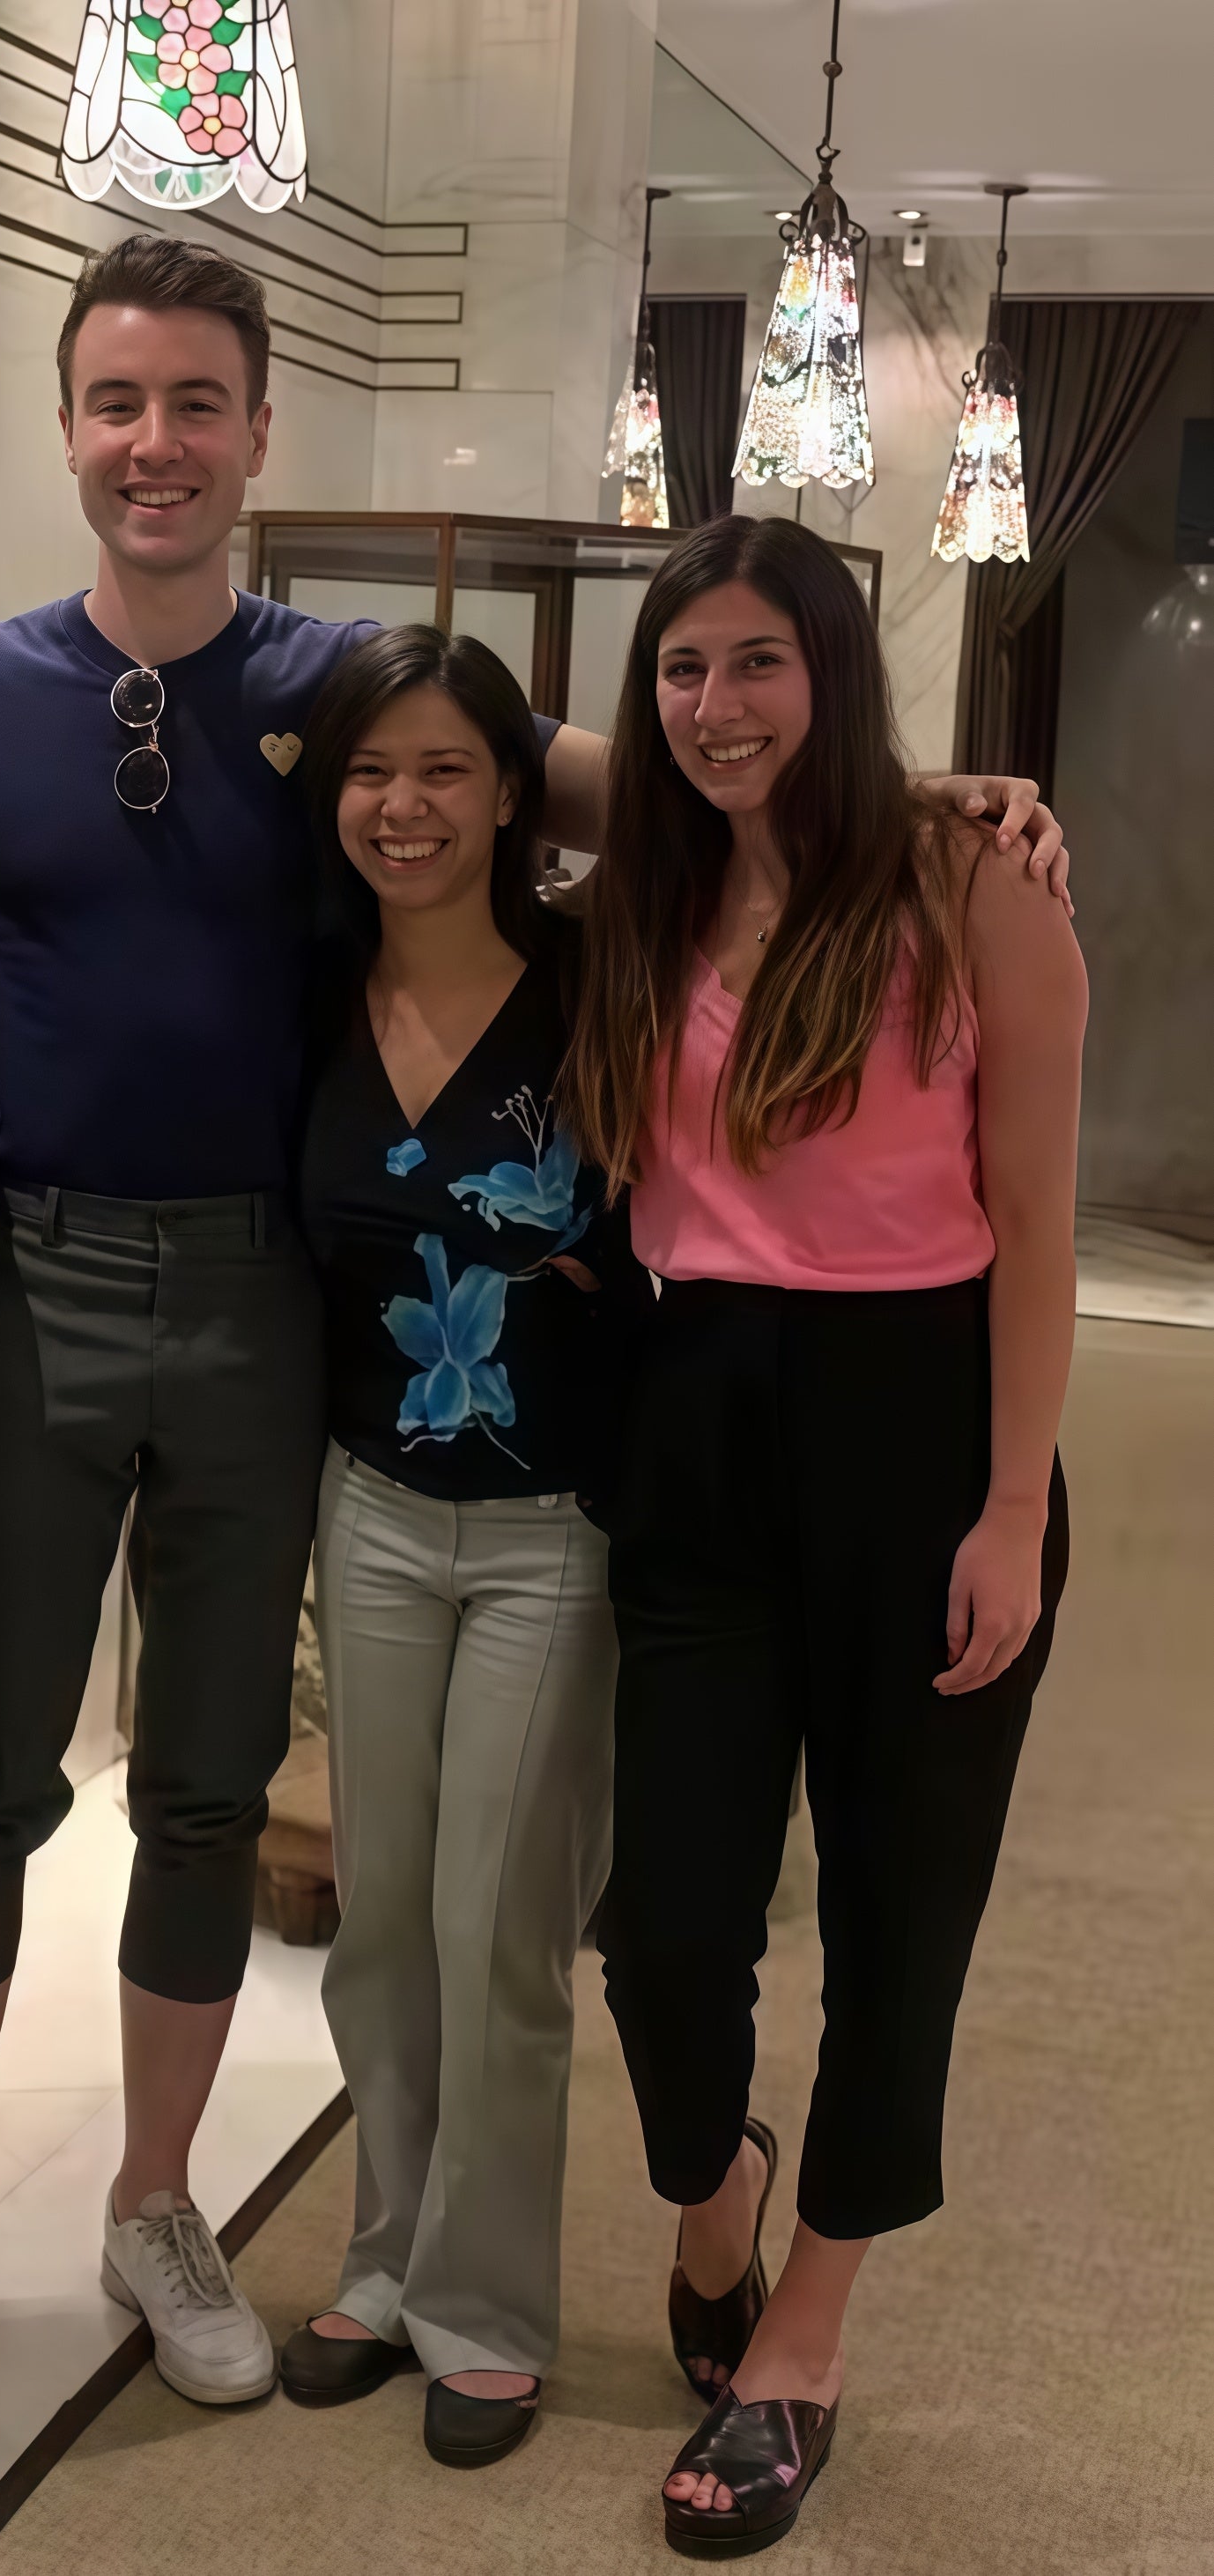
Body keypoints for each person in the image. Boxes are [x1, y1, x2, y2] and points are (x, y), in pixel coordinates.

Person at [0, 237, 1069, 2417]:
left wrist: (919, 790)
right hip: (17, 1287)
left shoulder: (341, 687)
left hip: (257, 1296)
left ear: (257, 431)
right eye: (116, 401)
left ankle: (154, 2197)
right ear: (66, 426)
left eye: (196, 402)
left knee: (203, 1788)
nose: (155, 443)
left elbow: (636, 776)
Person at [561, 515, 1085, 2557]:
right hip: (694, 1422)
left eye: (759, 662)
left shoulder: (973, 889)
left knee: (895, 1916)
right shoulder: (645, 879)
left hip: (925, 1429)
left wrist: (1012, 1507)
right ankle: (715, 2196)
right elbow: (478, 744)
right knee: (662, 1926)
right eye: (681, 666)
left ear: (835, 669)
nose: (717, 705)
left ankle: (801, 2334)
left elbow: (1032, 1218)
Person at [274, 626, 653, 2467]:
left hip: (548, 1530)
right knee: (378, 1922)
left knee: (496, 1927)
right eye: (368, 771)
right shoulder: (307, 986)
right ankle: (382, 2258)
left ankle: (485, 2306)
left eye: (444, 768)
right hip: (367, 1509)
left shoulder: (601, 981)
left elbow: (746, 830)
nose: (401, 807)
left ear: (518, 789)